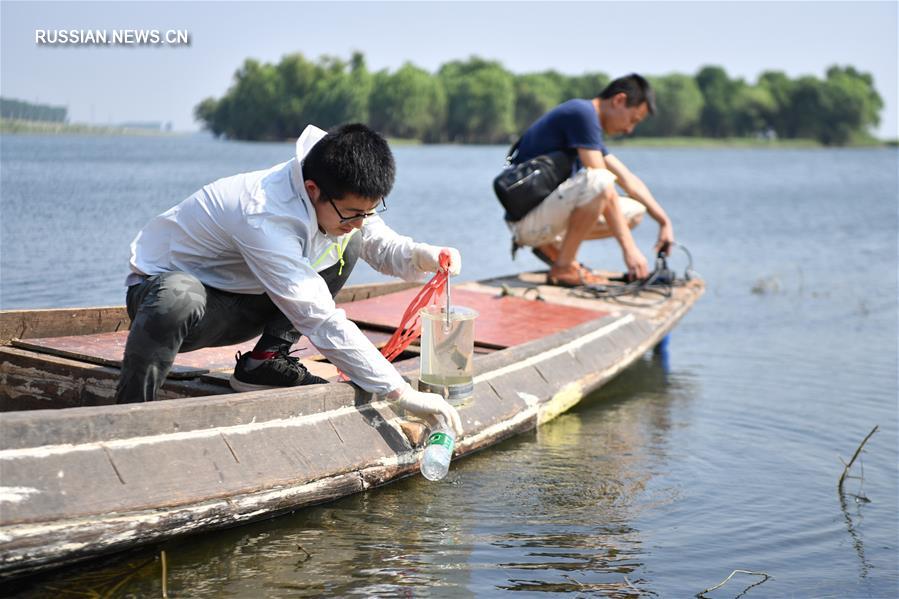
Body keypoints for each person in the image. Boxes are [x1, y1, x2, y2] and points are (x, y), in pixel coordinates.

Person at [115, 123, 463, 435]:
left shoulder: (336, 188)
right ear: (313, 190)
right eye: (353, 213)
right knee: (179, 295)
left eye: (368, 211)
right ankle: (130, 417)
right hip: (173, 306)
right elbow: (321, 320)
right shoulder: (265, 214)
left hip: (245, 297)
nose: (360, 220)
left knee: (351, 241)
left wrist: (424, 256)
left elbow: (378, 241)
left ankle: (265, 362)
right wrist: (401, 394)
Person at [506, 73, 675, 287]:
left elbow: (628, 180)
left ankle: (556, 250)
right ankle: (564, 266)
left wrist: (664, 221)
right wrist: (630, 250)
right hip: (527, 222)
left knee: (635, 211)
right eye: (633, 119)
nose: (629, 129)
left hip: (543, 218)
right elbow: (603, 184)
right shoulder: (582, 113)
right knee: (599, 181)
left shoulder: (588, 126)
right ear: (619, 100)